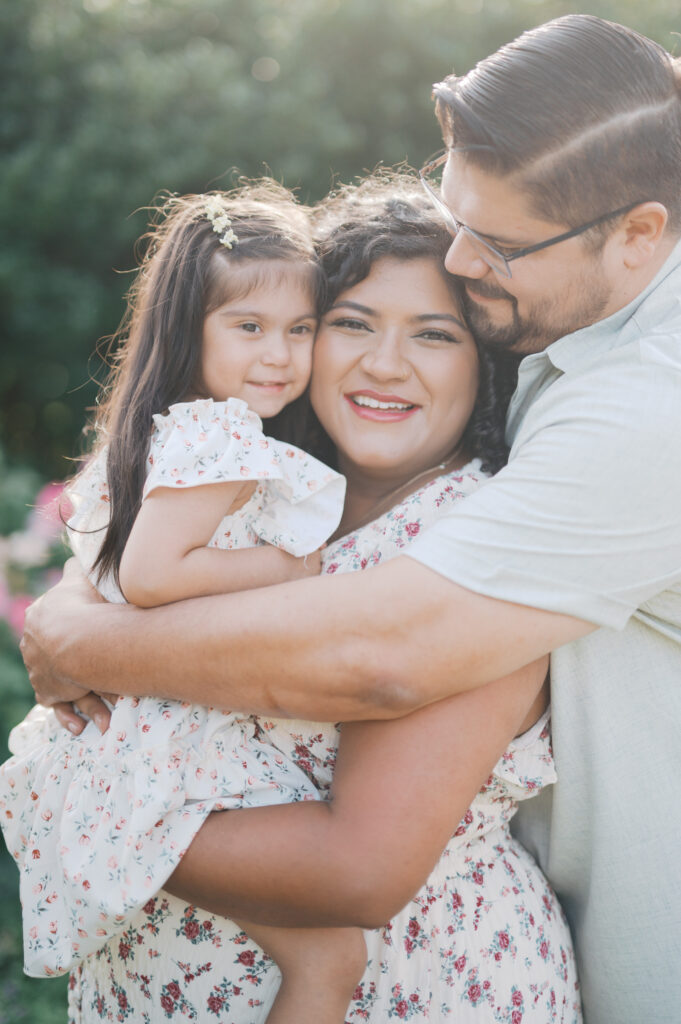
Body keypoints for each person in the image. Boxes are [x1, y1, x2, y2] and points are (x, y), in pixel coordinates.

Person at [17, 15, 681, 1024]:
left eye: (494, 244)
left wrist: (79, 670)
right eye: (350, 323)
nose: (462, 259)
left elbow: (383, 662)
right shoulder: (287, 479)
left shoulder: (648, 402)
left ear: (641, 233)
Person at [0, 181, 369, 1024]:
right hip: (180, 740)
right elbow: (153, 577)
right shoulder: (223, 436)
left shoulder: (166, 432)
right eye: (248, 327)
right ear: (188, 328)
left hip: (147, 734)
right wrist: (288, 570)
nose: (278, 354)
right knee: (329, 953)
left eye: (299, 329)